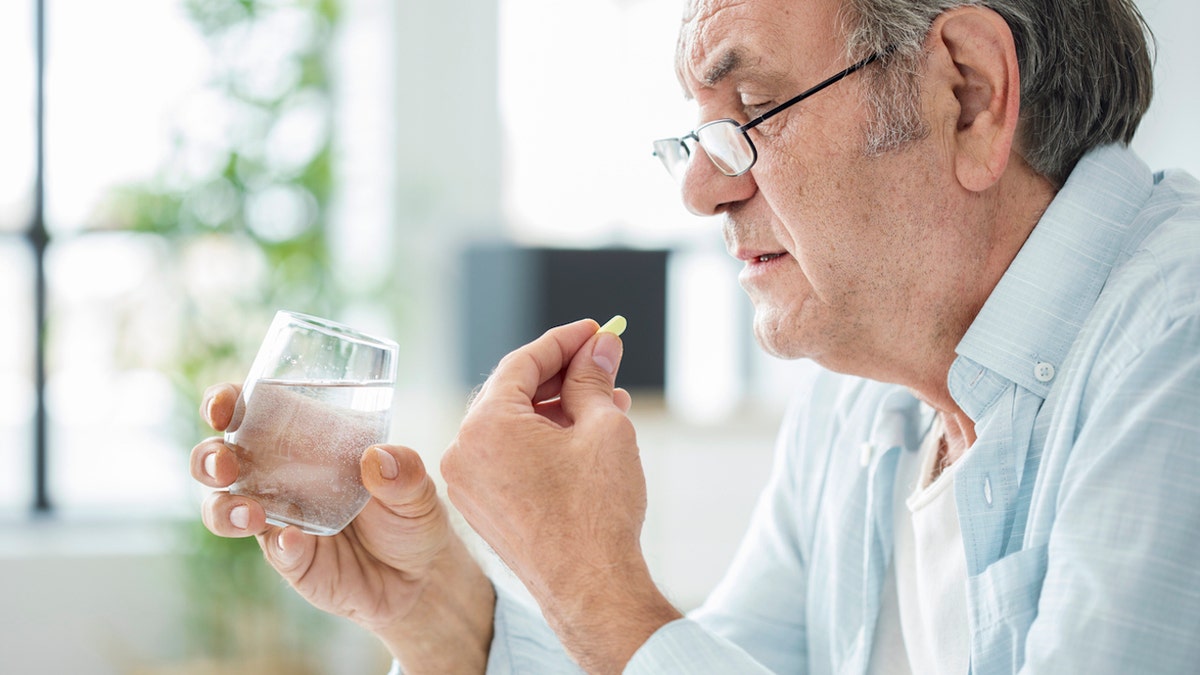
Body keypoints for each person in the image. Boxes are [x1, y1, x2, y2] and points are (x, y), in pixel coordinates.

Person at [191, 0, 1200, 671]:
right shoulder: (862, 403)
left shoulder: (1178, 347)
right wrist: (450, 620)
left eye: (753, 110)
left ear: (968, 93)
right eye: (699, 131)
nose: (700, 187)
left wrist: (594, 581)